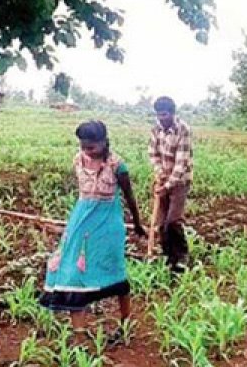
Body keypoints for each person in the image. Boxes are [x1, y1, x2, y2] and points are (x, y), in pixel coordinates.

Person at [40, 120, 146, 344]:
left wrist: (137, 224)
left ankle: (125, 323)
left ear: (104, 142)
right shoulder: (77, 160)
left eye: (92, 147)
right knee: (72, 272)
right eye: (83, 146)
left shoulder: (118, 165)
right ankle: (79, 338)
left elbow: (129, 197)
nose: (87, 151)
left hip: (108, 223)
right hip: (81, 221)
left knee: (115, 272)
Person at [148, 96, 193, 273]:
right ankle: (168, 256)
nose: (161, 118)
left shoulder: (183, 129)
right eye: (159, 115)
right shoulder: (155, 129)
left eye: (165, 114)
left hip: (179, 181)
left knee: (173, 220)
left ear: (173, 113)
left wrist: (167, 185)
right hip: (163, 178)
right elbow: (153, 154)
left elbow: (181, 163)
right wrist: (160, 173)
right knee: (160, 223)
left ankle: (182, 255)